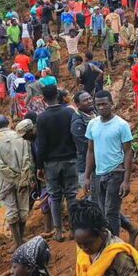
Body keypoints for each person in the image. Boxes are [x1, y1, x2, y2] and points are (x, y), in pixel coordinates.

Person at [84, 90, 134, 238]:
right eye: (98, 105)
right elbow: (90, 151)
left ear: (112, 104)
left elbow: (128, 152)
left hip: (116, 172)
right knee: (102, 210)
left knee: (111, 212)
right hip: (99, 174)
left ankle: (114, 244)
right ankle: (129, 230)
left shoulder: (121, 125)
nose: (101, 107)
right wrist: (87, 176)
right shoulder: (92, 124)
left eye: (104, 104)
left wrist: (126, 180)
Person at [35, 84, 79, 242]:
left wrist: (39, 167)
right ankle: (74, 229)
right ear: (57, 94)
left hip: (51, 163)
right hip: (70, 159)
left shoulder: (41, 118)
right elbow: (75, 135)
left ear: (43, 99)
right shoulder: (69, 112)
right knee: (72, 195)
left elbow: (41, 145)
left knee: (55, 196)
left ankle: (58, 231)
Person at [0, 115, 34, 248]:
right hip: (23, 179)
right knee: (23, 210)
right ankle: (22, 238)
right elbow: (27, 159)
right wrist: (22, 178)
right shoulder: (21, 137)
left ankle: (17, 242)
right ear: (8, 123)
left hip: (5, 181)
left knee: (11, 211)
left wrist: (13, 177)